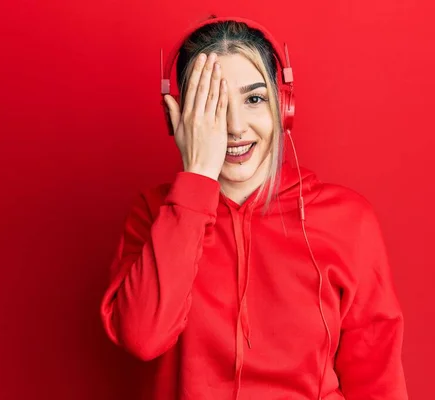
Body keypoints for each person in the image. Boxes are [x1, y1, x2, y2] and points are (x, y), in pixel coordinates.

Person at [100, 15, 408, 400]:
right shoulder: (154, 214)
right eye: (210, 105)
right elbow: (143, 338)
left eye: (254, 99)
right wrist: (196, 179)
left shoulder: (349, 220)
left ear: (284, 106)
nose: (235, 126)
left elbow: (378, 382)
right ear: (178, 118)